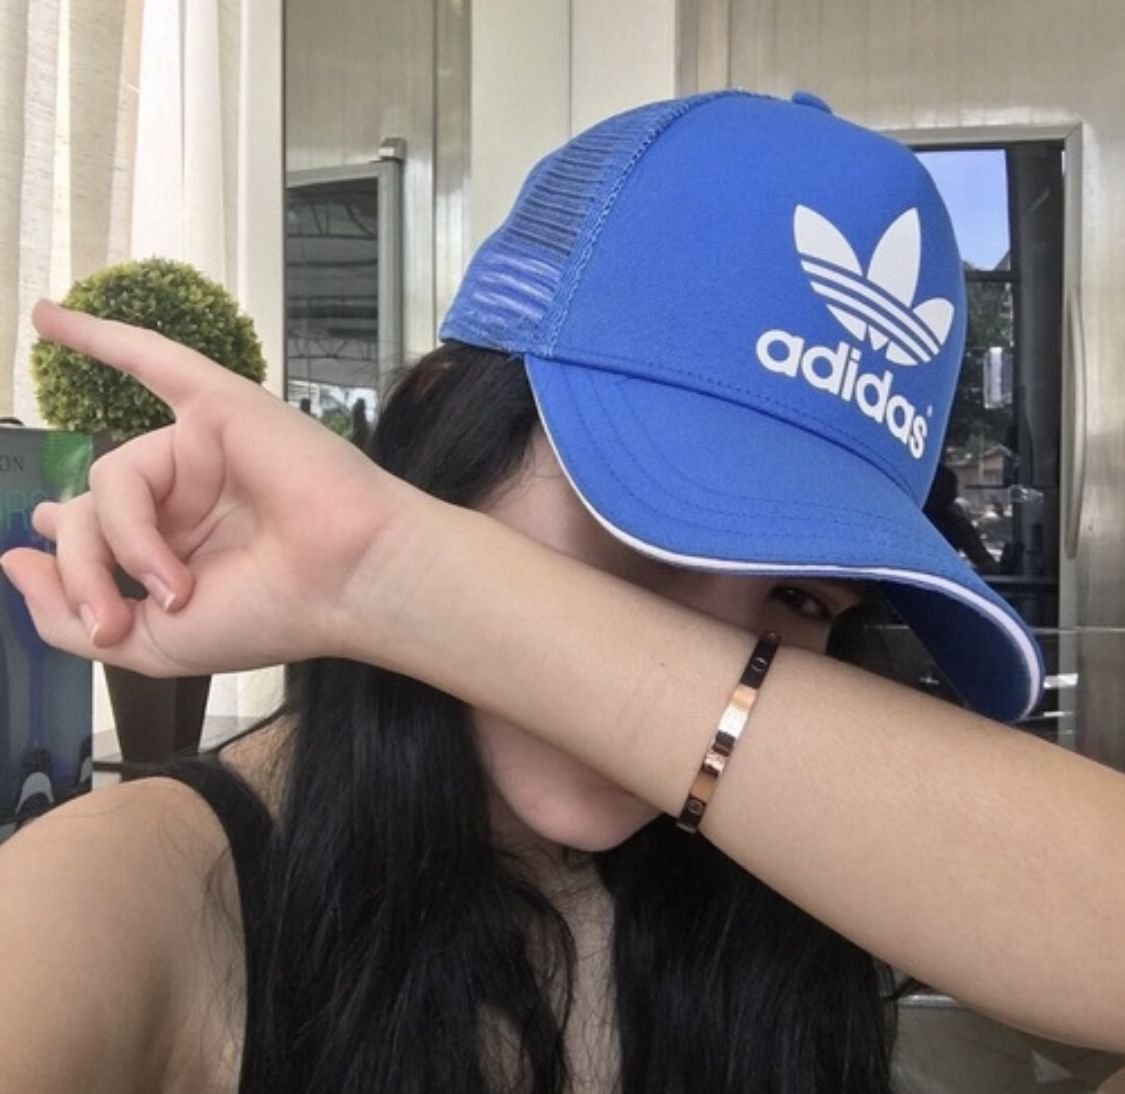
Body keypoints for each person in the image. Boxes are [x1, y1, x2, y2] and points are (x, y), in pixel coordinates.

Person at [1, 90, 1123, 1094]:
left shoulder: (785, 908)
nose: (707, 645)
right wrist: (384, 568)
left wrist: (409, 571)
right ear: (444, 423)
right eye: (649, 527)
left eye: (800, 599)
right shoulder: (128, 895)